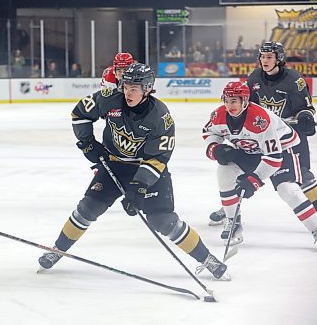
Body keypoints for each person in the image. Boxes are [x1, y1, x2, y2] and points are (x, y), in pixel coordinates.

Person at [38, 63, 229, 280]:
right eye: (125, 86)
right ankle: (57, 250)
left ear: (147, 89)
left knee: (163, 220)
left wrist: (138, 188)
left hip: (147, 168)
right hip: (114, 165)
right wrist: (88, 143)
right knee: (87, 209)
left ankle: (207, 259)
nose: (127, 92)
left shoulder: (160, 117)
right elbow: (80, 113)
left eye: (134, 89)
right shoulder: (109, 98)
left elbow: (157, 158)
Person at [209, 41, 316, 225]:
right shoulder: (255, 76)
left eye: (269, 57)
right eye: (262, 57)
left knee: (302, 175)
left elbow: (305, 108)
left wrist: (305, 116)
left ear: (279, 59)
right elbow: (244, 103)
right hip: (261, 135)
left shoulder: (294, 80)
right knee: (244, 171)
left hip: (288, 137)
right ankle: (230, 208)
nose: (264, 60)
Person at [203, 81, 317, 246]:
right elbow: (208, 132)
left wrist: (254, 180)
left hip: (283, 150)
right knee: (224, 172)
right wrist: (215, 148)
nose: (229, 105)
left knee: (287, 189)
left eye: (234, 100)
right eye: (226, 100)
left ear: (244, 100)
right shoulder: (218, 115)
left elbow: (273, 157)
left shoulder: (259, 119)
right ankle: (233, 224)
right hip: (251, 150)